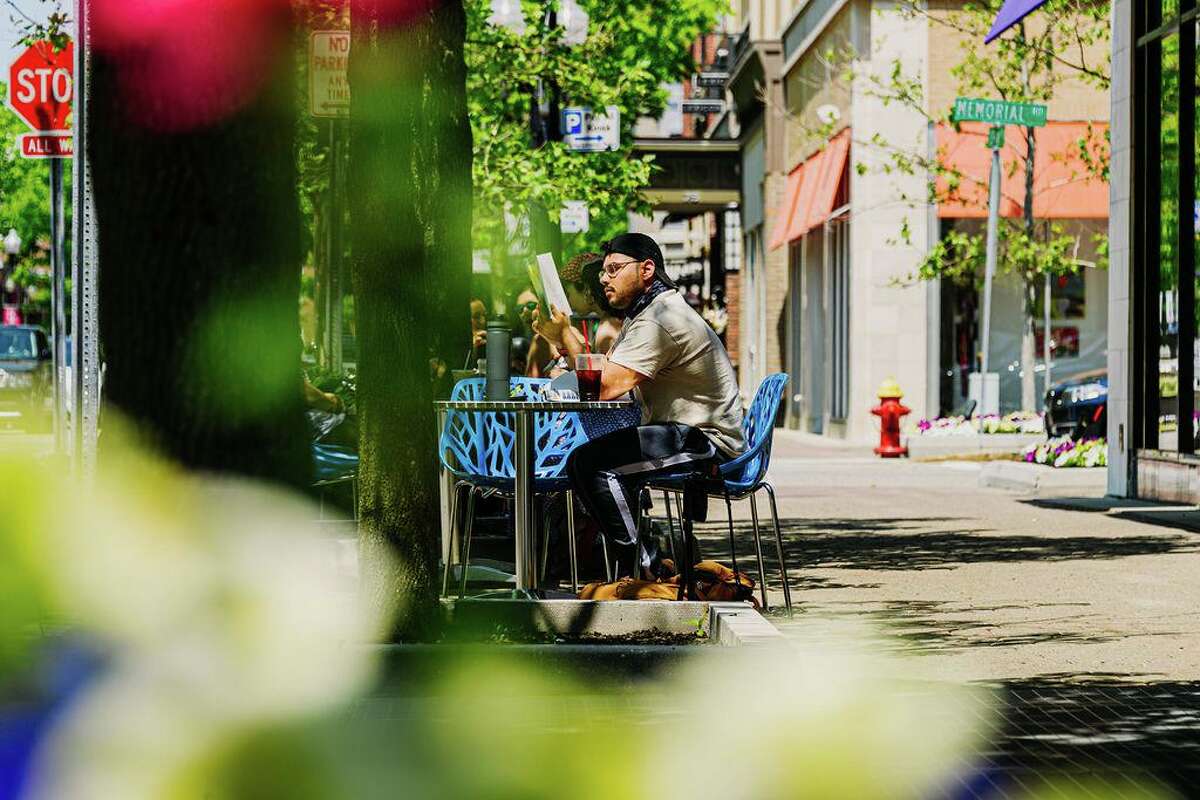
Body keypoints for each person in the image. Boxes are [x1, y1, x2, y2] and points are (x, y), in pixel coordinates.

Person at [533, 232, 745, 576]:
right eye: (603, 271)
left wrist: (568, 334)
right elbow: (607, 370)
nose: (604, 278)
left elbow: (605, 387)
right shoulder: (647, 313)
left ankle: (641, 568)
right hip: (684, 433)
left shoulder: (660, 320)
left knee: (591, 464)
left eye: (614, 269)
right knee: (587, 461)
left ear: (646, 269)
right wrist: (561, 338)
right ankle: (640, 563)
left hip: (708, 443)